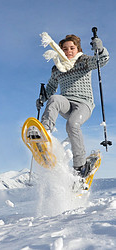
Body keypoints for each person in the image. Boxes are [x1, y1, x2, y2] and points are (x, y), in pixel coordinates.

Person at [29, 33, 109, 177]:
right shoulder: (57, 68)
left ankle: (80, 166)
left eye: (72, 48)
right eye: (65, 49)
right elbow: (51, 87)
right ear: (60, 50)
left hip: (84, 104)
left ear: (78, 49)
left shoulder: (83, 61)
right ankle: (44, 135)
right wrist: (42, 98)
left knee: (72, 125)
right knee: (54, 98)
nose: (69, 51)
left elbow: (101, 60)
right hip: (66, 103)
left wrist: (100, 47)